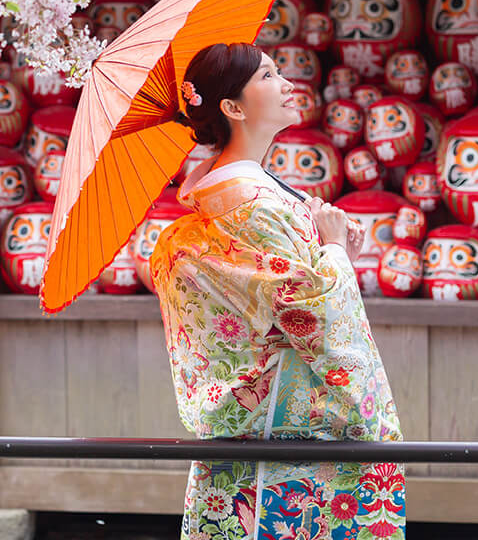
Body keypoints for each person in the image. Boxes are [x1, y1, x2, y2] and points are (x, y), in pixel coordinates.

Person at [149, 42, 405, 540]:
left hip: (247, 421)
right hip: (293, 429)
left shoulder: (230, 196)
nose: (287, 84)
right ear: (233, 107)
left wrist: (327, 243)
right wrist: (334, 251)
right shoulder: (256, 205)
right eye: (268, 76)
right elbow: (315, 315)